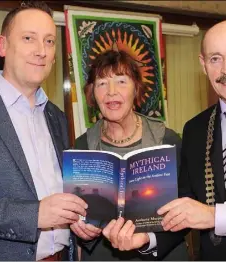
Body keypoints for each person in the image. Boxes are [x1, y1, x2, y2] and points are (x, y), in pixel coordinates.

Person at [101, 19, 226, 260]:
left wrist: (215, 216)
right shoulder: (195, 129)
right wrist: (147, 239)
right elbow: (185, 206)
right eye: (215, 59)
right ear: (203, 64)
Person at [0, 1, 88, 261]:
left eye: (49, 41)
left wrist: (82, 225)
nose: (41, 51)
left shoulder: (57, 117)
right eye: (28, 38)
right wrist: (32, 215)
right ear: (2, 46)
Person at [71, 50, 189, 261]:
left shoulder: (168, 141)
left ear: (136, 89)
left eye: (121, 81)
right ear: (92, 93)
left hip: (160, 255)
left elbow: (187, 211)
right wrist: (82, 229)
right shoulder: (82, 146)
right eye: (102, 83)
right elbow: (81, 218)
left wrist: (148, 238)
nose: (111, 92)